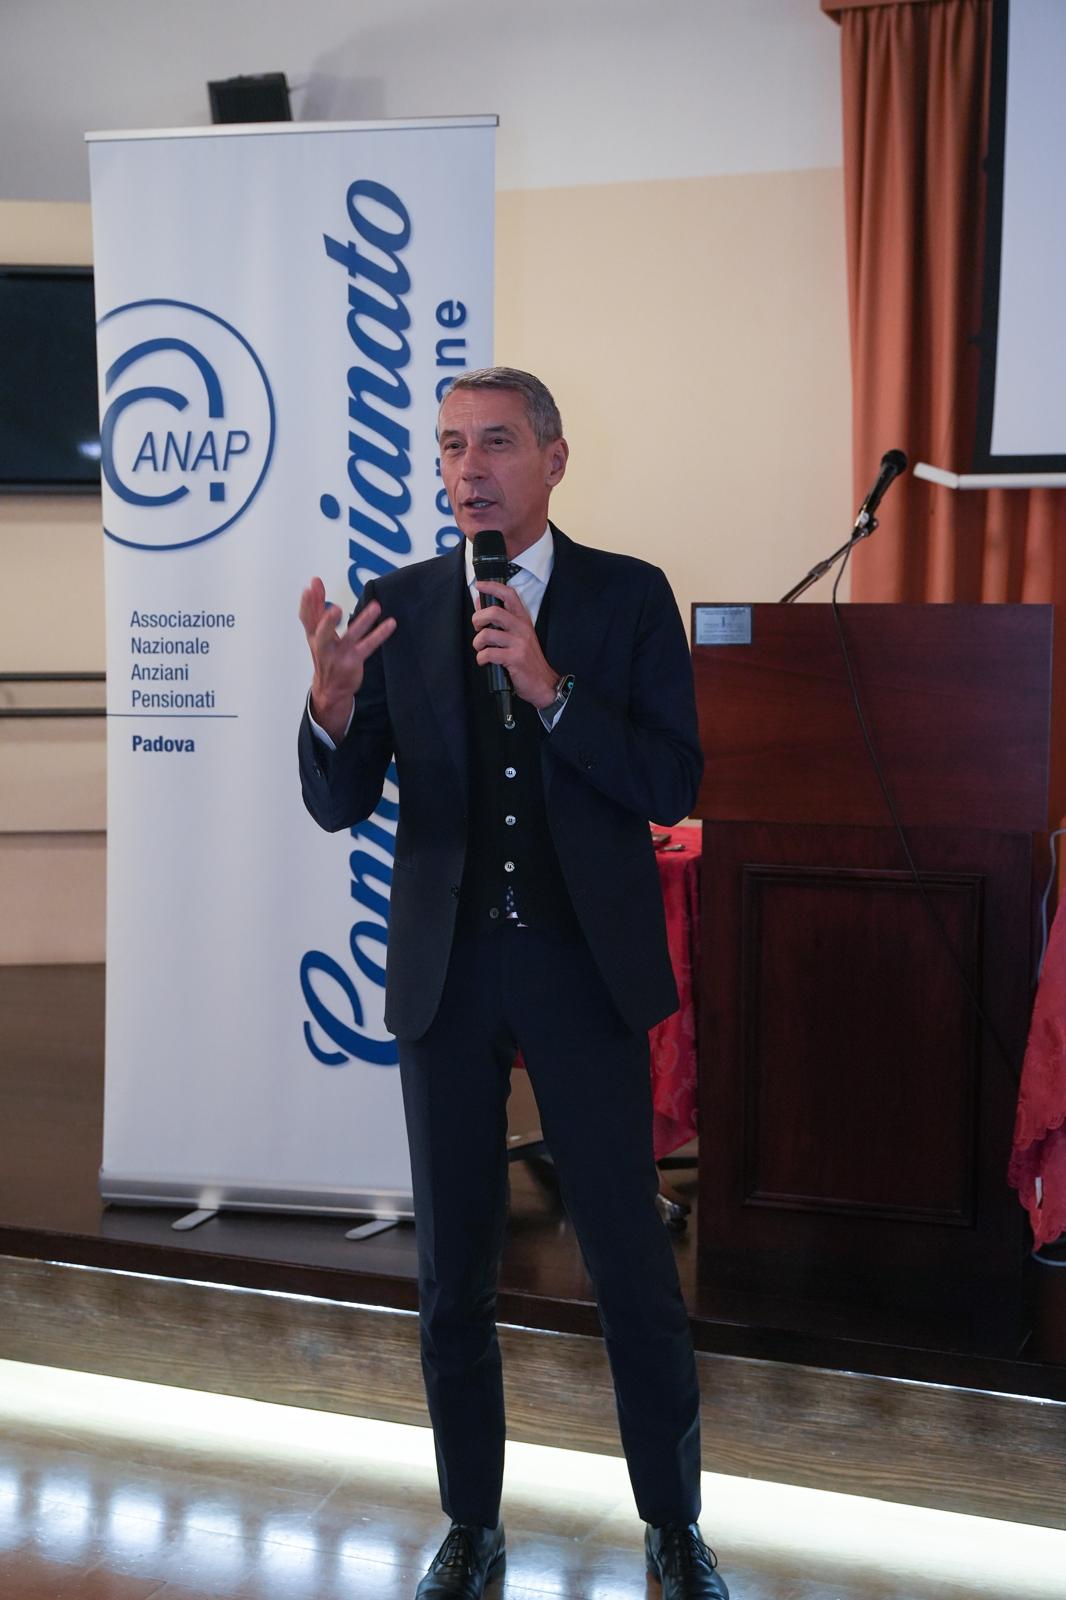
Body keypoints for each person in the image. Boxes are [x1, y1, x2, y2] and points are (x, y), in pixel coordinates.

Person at [298, 368, 729, 1600]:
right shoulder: (397, 604)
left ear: (553, 458)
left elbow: (671, 779)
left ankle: (673, 1526)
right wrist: (329, 712)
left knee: (630, 1270)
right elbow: (340, 803)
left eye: (493, 442)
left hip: (581, 966)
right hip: (447, 973)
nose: (467, 468)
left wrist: (551, 691)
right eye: (449, 447)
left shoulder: (628, 595)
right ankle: (471, 1524)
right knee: (453, 1277)